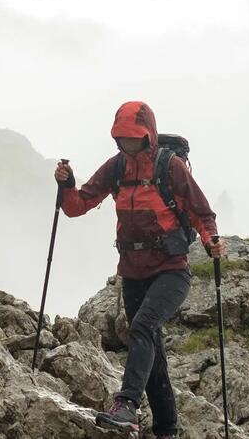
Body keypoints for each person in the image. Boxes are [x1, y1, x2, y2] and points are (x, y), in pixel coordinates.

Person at [55, 101, 222, 438]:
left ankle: (127, 404)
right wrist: (67, 183)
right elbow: (76, 207)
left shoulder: (170, 167)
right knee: (153, 351)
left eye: (134, 137)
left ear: (148, 135)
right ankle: (166, 430)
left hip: (172, 270)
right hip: (132, 272)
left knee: (143, 326)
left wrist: (212, 241)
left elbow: (201, 212)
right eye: (122, 138)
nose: (128, 144)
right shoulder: (116, 168)